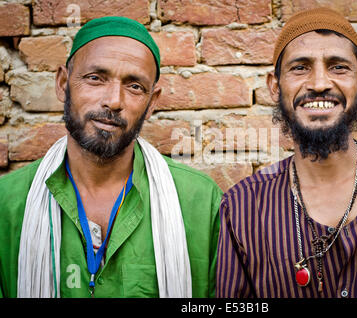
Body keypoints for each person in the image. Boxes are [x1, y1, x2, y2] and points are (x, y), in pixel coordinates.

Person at [216, 7, 357, 298]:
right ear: (275, 87)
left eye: (338, 66)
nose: (319, 84)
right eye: (300, 67)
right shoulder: (242, 209)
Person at [0, 16, 222, 298]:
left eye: (134, 86)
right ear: (63, 84)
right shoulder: (6, 204)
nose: (114, 101)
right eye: (95, 78)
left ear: (151, 103)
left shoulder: (200, 203)